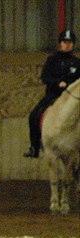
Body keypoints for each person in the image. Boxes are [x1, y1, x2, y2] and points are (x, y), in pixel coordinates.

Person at [24, 29, 80, 158]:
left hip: (72, 99)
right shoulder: (52, 60)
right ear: (60, 43)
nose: (67, 45)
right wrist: (57, 82)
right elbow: (45, 77)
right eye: (65, 42)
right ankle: (34, 147)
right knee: (34, 115)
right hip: (54, 96)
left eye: (70, 42)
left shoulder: (77, 63)